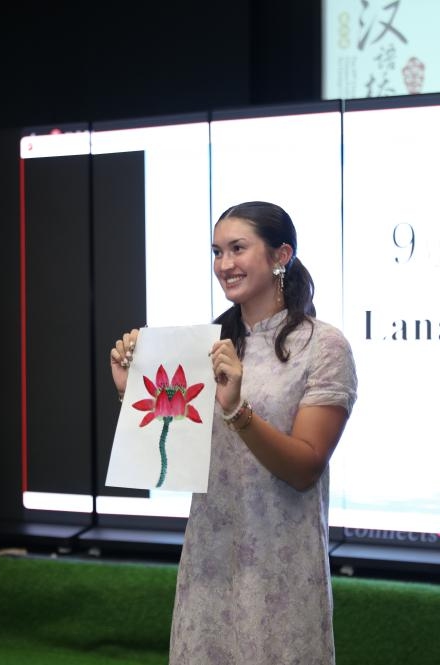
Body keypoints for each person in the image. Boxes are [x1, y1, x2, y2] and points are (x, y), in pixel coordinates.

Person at [110, 201, 357, 664]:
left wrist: (238, 410)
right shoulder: (204, 346)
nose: (224, 264)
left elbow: (305, 467)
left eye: (238, 248)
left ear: (281, 255)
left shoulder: (323, 346)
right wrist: (131, 393)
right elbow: (167, 461)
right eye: (217, 252)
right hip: (209, 563)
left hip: (281, 568)